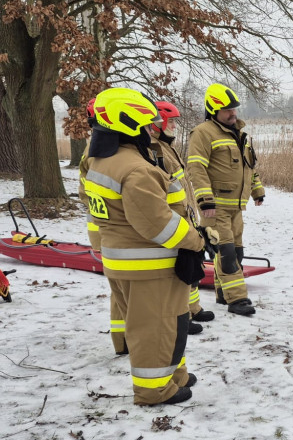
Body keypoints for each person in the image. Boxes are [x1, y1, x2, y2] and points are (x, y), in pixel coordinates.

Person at [83, 87, 209, 406]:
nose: (149, 129)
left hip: (124, 262)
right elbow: (157, 224)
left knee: (170, 322)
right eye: (145, 123)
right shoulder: (135, 169)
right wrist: (196, 240)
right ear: (130, 124)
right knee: (154, 330)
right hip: (149, 267)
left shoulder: (99, 159)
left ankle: (174, 376)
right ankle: (154, 390)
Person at [187, 83, 265, 316]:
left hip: (236, 208)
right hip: (216, 207)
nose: (233, 113)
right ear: (213, 110)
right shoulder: (203, 132)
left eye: (234, 109)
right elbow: (196, 167)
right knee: (227, 253)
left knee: (236, 253)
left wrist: (257, 190)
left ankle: (223, 293)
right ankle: (237, 299)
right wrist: (205, 200)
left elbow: (250, 167)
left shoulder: (241, 135)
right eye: (227, 110)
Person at [149, 100, 216, 334]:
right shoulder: (153, 148)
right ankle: (181, 315)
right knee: (179, 271)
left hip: (185, 214)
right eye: (172, 121)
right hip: (174, 218)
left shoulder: (167, 146)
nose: (175, 126)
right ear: (158, 123)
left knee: (192, 265)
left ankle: (193, 308)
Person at [78, 98, 126, 354]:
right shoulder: (99, 152)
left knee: (119, 289)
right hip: (107, 231)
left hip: (104, 228)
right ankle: (123, 341)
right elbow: (87, 193)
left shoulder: (97, 148)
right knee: (120, 289)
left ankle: (123, 341)